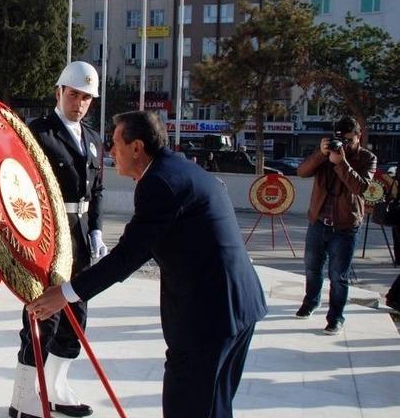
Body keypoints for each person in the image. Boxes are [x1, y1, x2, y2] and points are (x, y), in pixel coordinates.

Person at [27, 111, 267, 418]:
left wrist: (66, 293)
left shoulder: (160, 184)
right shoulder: (176, 168)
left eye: (115, 143)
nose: (110, 152)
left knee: (188, 408)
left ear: (137, 147)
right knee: (215, 408)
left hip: (208, 317)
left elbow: (127, 256)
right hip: (236, 308)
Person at [9, 62, 106, 418]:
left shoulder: (93, 138)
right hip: (48, 236)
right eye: (74, 94)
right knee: (42, 316)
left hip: (80, 235)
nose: (79, 103)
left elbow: (98, 190)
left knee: (76, 315)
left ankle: (56, 388)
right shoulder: (38, 133)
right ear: (59, 93)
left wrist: (96, 229)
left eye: (86, 97)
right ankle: (24, 397)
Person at [294, 116, 376, 335]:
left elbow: (361, 188)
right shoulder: (325, 153)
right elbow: (301, 172)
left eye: (350, 140)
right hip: (318, 222)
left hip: (345, 226)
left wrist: (341, 163)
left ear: (359, 136)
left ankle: (336, 317)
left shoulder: (367, 158)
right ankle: (311, 302)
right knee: (312, 268)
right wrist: (321, 154)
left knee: (338, 275)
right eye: (341, 139)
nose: (345, 145)